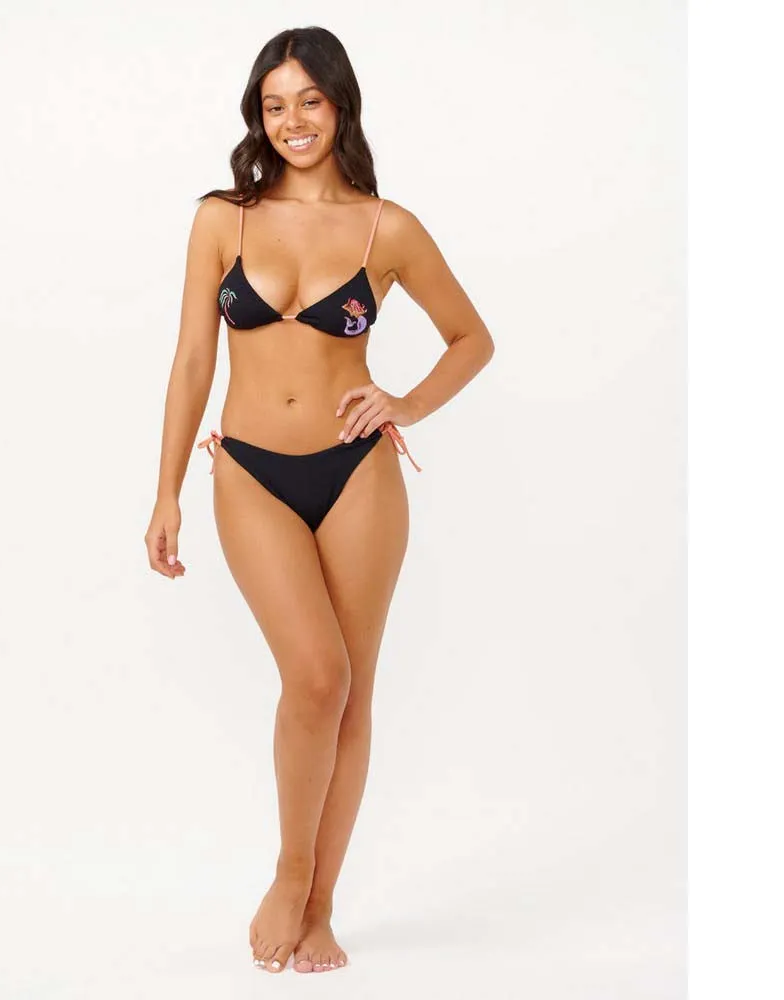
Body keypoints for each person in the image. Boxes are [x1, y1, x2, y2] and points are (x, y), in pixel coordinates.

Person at [144, 26, 494, 975]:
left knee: (352, 690)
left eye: (308, 100)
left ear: (340, 104)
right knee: (314, 676)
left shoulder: (388, 229)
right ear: (257, 116)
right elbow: (192, 360)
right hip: (250, 469)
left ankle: (323, 905)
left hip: (357, 473)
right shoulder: (223, 219)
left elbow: (471, 338)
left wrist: (405, 403)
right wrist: (166, 491)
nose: (292, 120)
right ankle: (290, 871)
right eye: (273, 104)